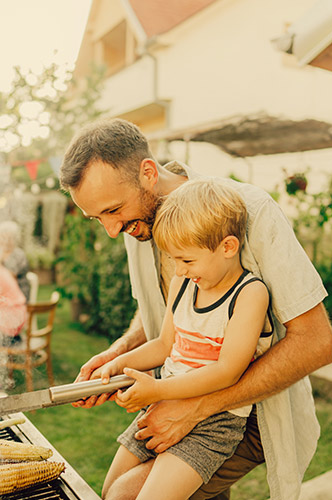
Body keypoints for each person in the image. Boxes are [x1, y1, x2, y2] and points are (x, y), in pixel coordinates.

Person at [59, 118, 332, 500]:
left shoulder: (250, 210)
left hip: (245, 411)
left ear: (148, 173)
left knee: (123, 495)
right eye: (98, 217)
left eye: (113, 210)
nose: (110, 229)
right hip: (175, 393)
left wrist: (195, 408)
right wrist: (118, 356)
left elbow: (316, 342)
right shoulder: (138, 220)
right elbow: (166, 313)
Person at [99, 178, 273, 499]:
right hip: (163, 403)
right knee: (111, 492)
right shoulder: (184, 285)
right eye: (174, 260)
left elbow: (227, 371)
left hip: (213, 423)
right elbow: (164, 346)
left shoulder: (249, 294)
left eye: (186, 260)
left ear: (228, 247)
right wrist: (117, 364)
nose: (178, 271)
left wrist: (157, 389)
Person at [0, 221, 31, 301]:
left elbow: (10, 277)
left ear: (15, 239)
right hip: (1, 294)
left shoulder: (18, 255)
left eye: (9, 238)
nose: (6, 241)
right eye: (3, 237)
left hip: (18, 296)